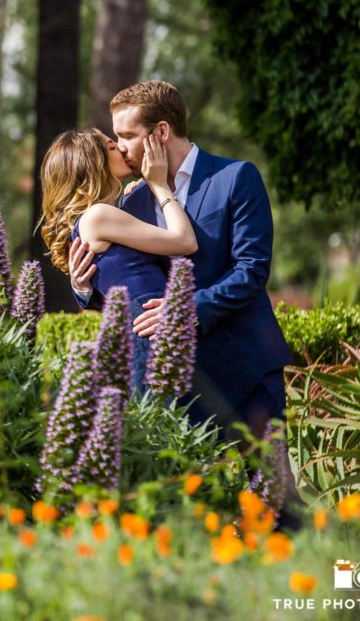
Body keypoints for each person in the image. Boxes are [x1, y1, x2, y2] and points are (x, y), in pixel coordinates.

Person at [69, 80, 300, 528]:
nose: (118, 147)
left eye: (127, 136)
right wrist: (85, 292)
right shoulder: (132, 201)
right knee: (193, 511)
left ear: (159, 132)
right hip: (181, 382)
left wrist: (184, 310)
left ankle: (353, 587)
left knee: (278, 503)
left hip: (247, 368)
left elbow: (251, 271)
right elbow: (133, 289)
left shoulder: (236, 177)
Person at [38, 125, 198, 394]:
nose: (122, 148)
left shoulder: (102, 214)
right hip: (152, 336)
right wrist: (159, 185)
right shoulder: (98, 216)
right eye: (112, 147)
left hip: (147, 331)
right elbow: (185, 241)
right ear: (93, 163)